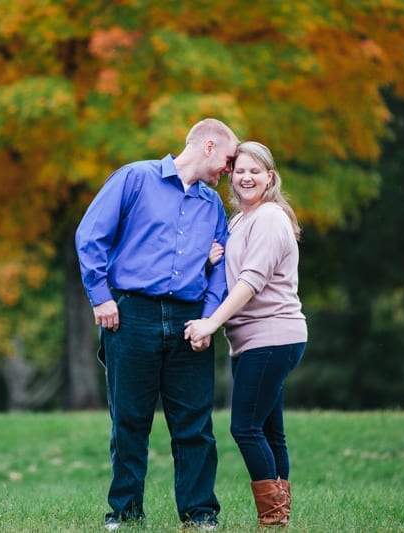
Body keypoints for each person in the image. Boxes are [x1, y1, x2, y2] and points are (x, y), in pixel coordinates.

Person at [75, 118, 239, 531]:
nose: (231, 169)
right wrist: (101, 296)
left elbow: (220, 271)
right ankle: (126, 514)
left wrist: (207, 318)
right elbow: (90, 235)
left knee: (196, 425)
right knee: (129, 420)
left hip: (188, 321)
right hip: (132, 315)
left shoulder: (212, 205)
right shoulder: (135, 178)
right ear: (208, 147)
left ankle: (200, 514)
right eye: (228, 158)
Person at [184, 141, 307, 527]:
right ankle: (279, 514)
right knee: (271, 430)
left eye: (255, 171)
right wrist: (208, 260)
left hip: (272, 337)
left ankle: (273, 517)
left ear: (270, 177)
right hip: (254, 341)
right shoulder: (239, 221)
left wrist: (210, 323)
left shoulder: (269, 218)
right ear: (231, 178)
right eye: (239, 171)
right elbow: (230, 273)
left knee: (245, 427)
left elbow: (251, 281)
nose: (246, 177)